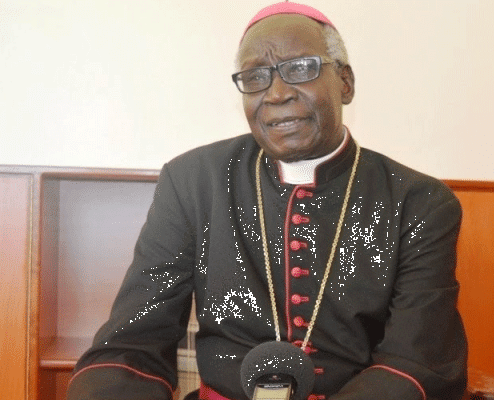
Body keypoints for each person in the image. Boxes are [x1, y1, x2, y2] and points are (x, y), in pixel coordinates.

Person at [67, 2, 467, 400]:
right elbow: (131, 345)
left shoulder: (420, 203)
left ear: (345, 82)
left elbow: (416, 362)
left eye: (300, 69)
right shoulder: (192, 181)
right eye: (256, 76)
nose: (275, 93)